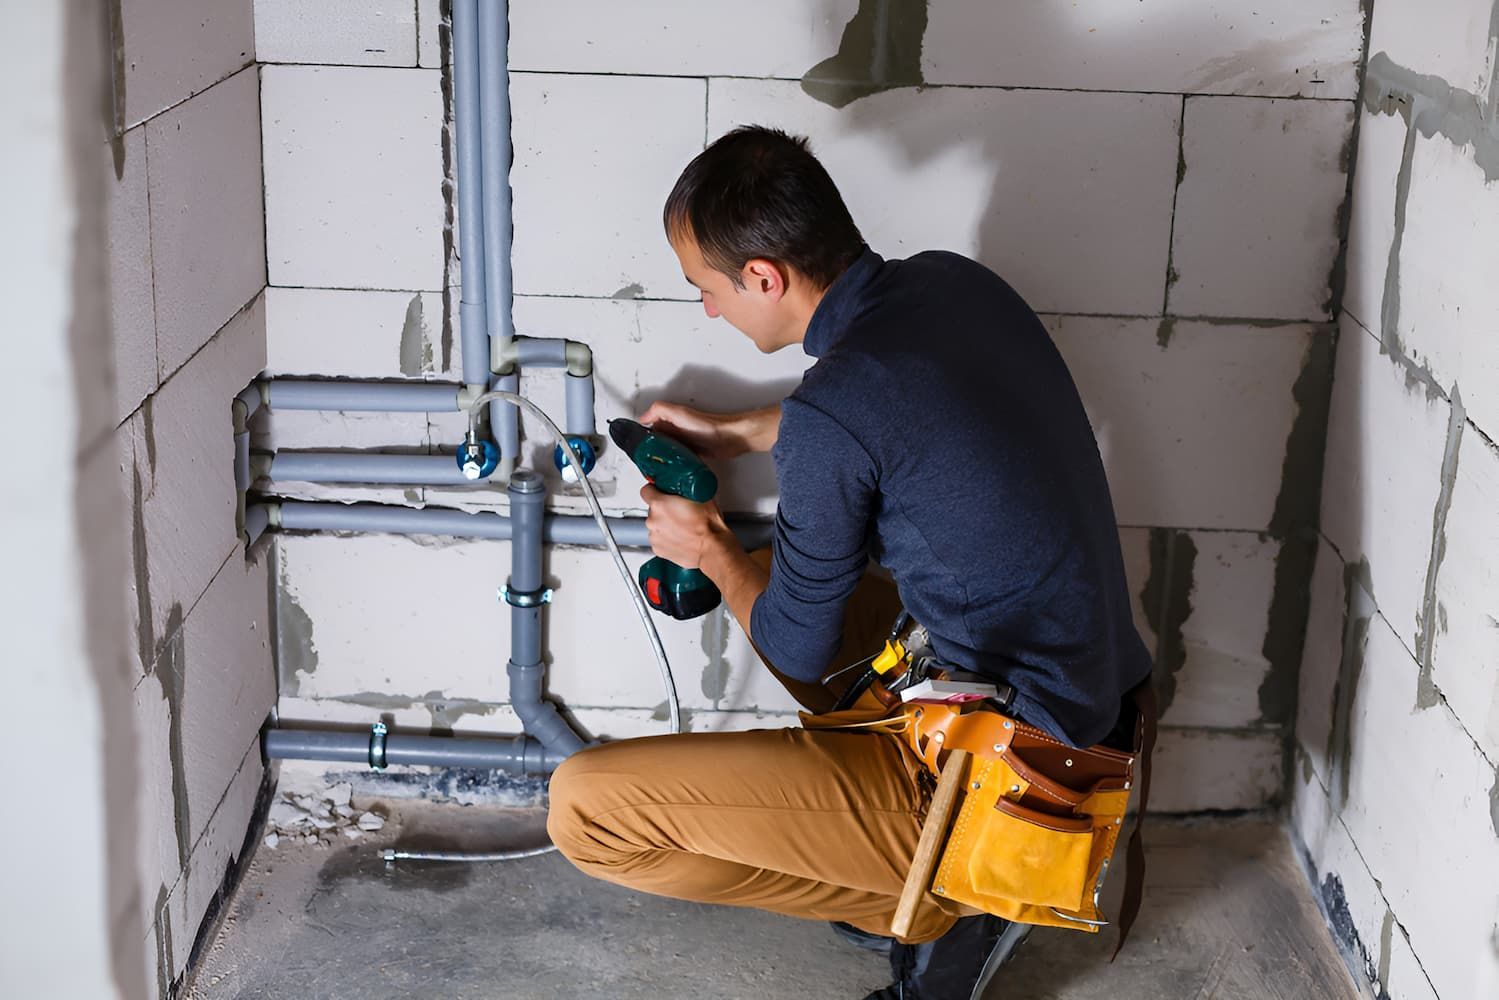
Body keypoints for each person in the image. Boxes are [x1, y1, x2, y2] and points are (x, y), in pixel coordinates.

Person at [547, 125, 1153, 1000]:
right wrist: (749, 431)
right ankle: (934, 889)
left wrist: (708, 548)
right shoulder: (954, 282)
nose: (709, 311)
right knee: (817, 609)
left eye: (706, 290)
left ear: (763, 276)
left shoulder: (839, 411)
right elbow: (898, 412)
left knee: (586, 810)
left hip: (1014, 776)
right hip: (1095, 708)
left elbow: (794, 644)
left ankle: (938, 902)